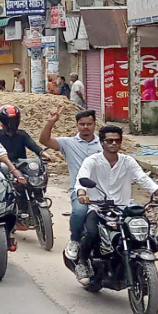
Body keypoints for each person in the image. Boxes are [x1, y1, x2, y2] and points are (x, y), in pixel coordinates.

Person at [73, 126, 158, 284]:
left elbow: (142, 178)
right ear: (102, 142)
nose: (114, 143)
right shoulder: (92, 161)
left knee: (145, 232)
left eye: (117, 140)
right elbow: (81, 179)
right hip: (98, 208)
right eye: (109, 140)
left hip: (124, 209)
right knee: (92, 233)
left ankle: (139, 267)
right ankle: (82, 263)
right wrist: (82, 194)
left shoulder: (128, 161)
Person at [39, 108, 102, 261]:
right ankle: (74, 240)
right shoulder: (68, 143)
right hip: (80, 190)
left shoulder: (103, 143)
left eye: (89, 124)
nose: (85, 127)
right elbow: (44, 141)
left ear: (95, 124)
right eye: (82, 124)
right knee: (79, 212)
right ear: (77, 125)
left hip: (103, 191)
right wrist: (50, 123)